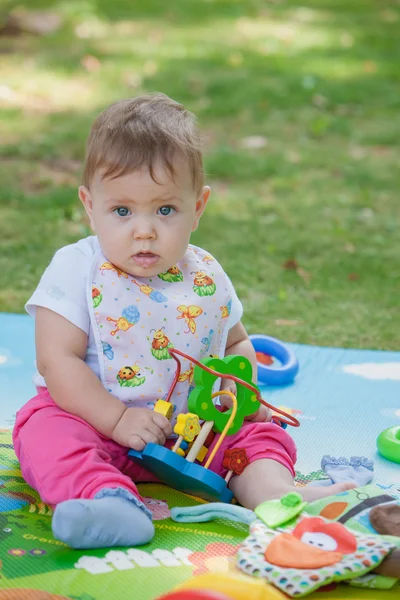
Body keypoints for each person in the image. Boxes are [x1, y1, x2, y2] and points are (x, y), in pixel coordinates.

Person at [12, 93, 355, 550]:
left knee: (258, 437)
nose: (145, 230)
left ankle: (278, 498)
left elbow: (234, 344)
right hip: (94, 418)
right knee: (43, 431)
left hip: (192, 434)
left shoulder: (205, 273)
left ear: (198, 207)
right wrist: (115, 419)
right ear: (89, 205)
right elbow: (57, 360)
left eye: (165, 210)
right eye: (122, 211)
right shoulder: (76, 268)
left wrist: (239, 391)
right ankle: (107, 500)